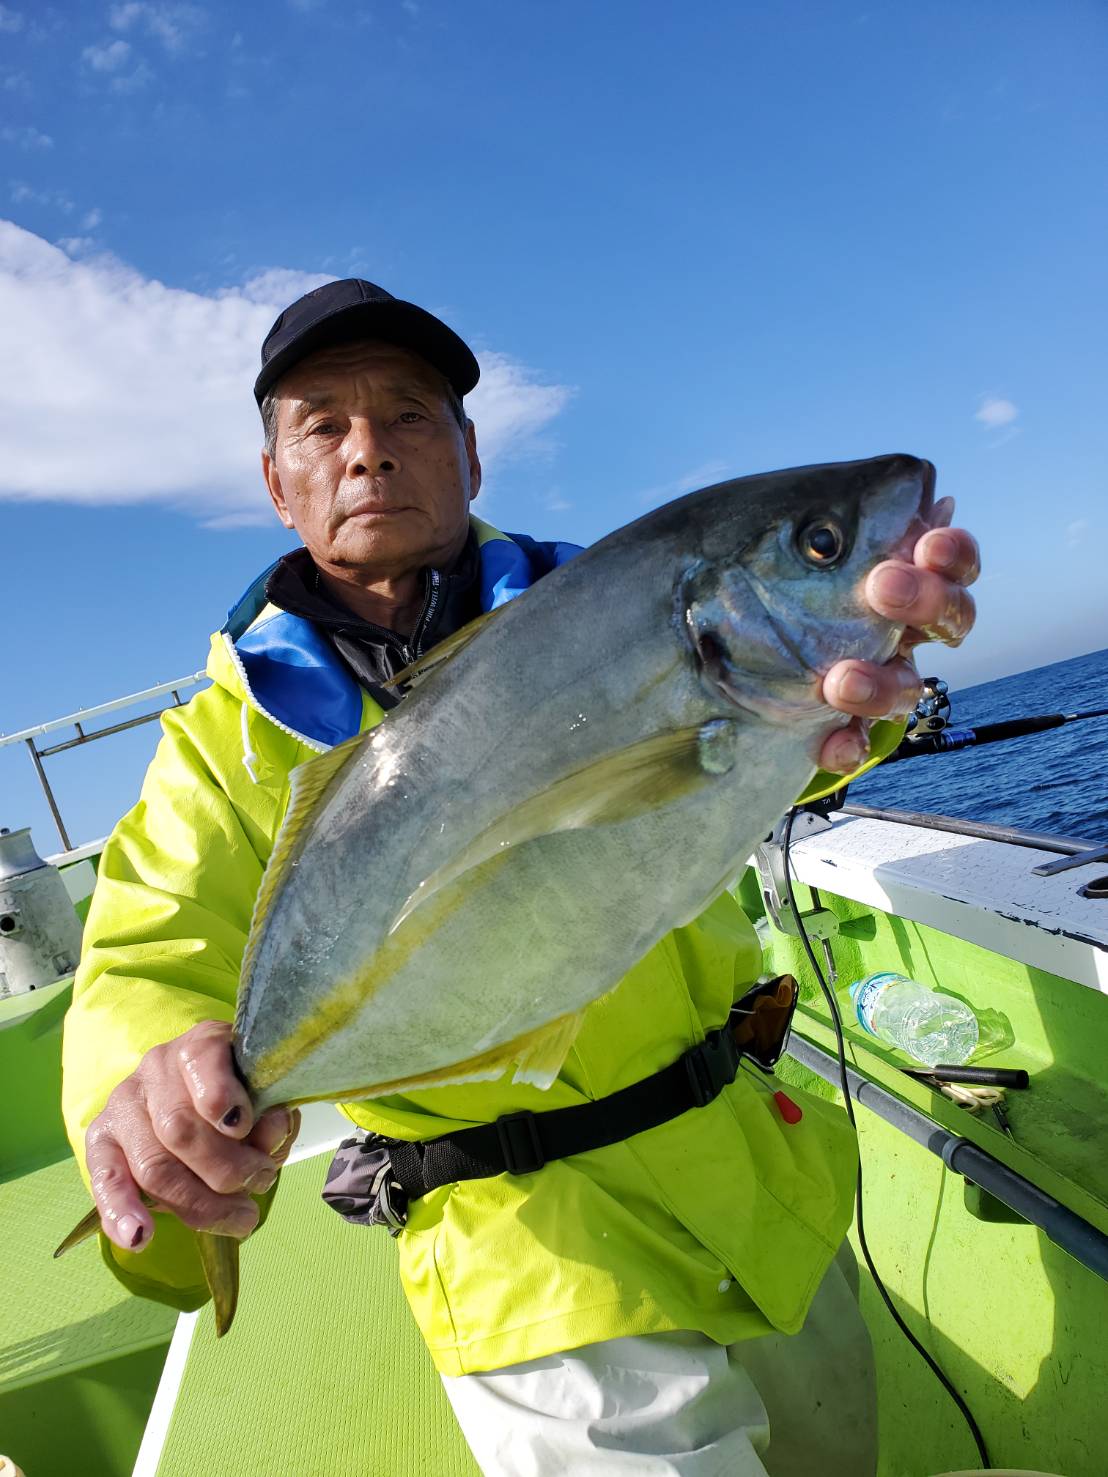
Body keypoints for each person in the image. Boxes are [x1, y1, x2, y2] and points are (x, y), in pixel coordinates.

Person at [61, 279, 980, 1475]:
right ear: (277, 484)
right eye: (323, 426)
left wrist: (871, 680)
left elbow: (769, 755)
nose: (369, 451)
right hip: (525, 1250)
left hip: (752, 1172)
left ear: (470, 455)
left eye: (409, 415)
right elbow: (144, 955)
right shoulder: (220, 746)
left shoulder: (606, 600)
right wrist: (150, 1085)